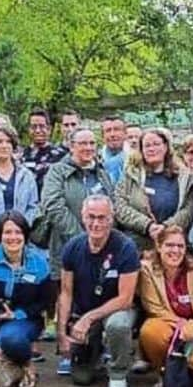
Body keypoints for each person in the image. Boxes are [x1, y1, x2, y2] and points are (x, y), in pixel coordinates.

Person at [40, 126, 114, 372]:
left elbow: (111, 205)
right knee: (68, 298)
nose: (88, 148)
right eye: (82, 143)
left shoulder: (101, 173)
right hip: (67, 246)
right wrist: (82, 238)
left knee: (98, 297)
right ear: (71, 146)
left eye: (92, 143)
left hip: (102, 249)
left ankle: (98, 349)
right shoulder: (57, 172)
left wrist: (102, 237)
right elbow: (52, 205)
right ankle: (67, 351)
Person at [56, 195, 140, 387]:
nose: (96, 223)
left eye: (102, 217)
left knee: (117, 326)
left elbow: (126, 298)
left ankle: (118, 374)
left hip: (118, 310)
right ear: (82, 217)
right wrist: (61, 334)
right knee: (81, 378)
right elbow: (66, 293)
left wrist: (88, 318)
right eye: (91, 217)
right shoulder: (72, 248)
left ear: (111, 219)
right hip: (85, 311)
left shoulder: (126, 248)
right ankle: (95, 354)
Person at [0, 211, 54, 387]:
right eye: (7, 232)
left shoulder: (39, 264)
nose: (13, 237)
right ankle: (7, 360)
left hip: (24, 321)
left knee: (11, 339)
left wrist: (16, 315)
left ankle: (24, 362)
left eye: (18, 232)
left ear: (25, 235)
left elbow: (45, 302)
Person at [137, 225, 193, 387]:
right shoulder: (146, 270)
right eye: (169, 245)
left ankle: (189, 376)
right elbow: (154, 308)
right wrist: (184, 326)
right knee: (151, 331)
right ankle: (165, 374)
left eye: (180, 246)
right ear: (159, 246)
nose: (175, 250)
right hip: (169, 326)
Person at [113, 126, 193, 253]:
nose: (151, 149)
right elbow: (120, 207)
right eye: (147, 146)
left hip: (173, 246)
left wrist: (166, 228)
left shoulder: (184, 177)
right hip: (137, 246)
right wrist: (148, 226)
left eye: (156, 144)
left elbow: (190, 208)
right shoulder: (130, 175)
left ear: (166, 147)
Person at [21, 107, 68, 192]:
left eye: (42, 126)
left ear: (49, 129)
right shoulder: (20, 156)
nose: (38, 130)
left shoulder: (61, 156)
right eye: (34, 127)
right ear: (29, 129)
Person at [100, 116, 127, 183]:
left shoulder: (137, 158)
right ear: (102, 136)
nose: (112, 134)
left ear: (125, 134)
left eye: (117, 129)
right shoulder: (96, 160)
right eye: (108, 130)